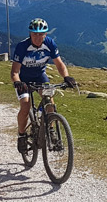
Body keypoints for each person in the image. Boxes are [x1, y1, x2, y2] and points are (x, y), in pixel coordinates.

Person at [11, 18, 76, 153]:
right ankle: (21, 135)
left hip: (40, 77)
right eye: (35, 34)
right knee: (25, 106)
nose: (38, 37)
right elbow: (14, 71)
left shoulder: (49, 43)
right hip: (23, 80)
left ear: (45, 34)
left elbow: (59, 64)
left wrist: (66, 77)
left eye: (41, 34)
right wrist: (18, 82)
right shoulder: (22, 46)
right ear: (30, 34)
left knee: (50, 104)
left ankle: (51, 130)